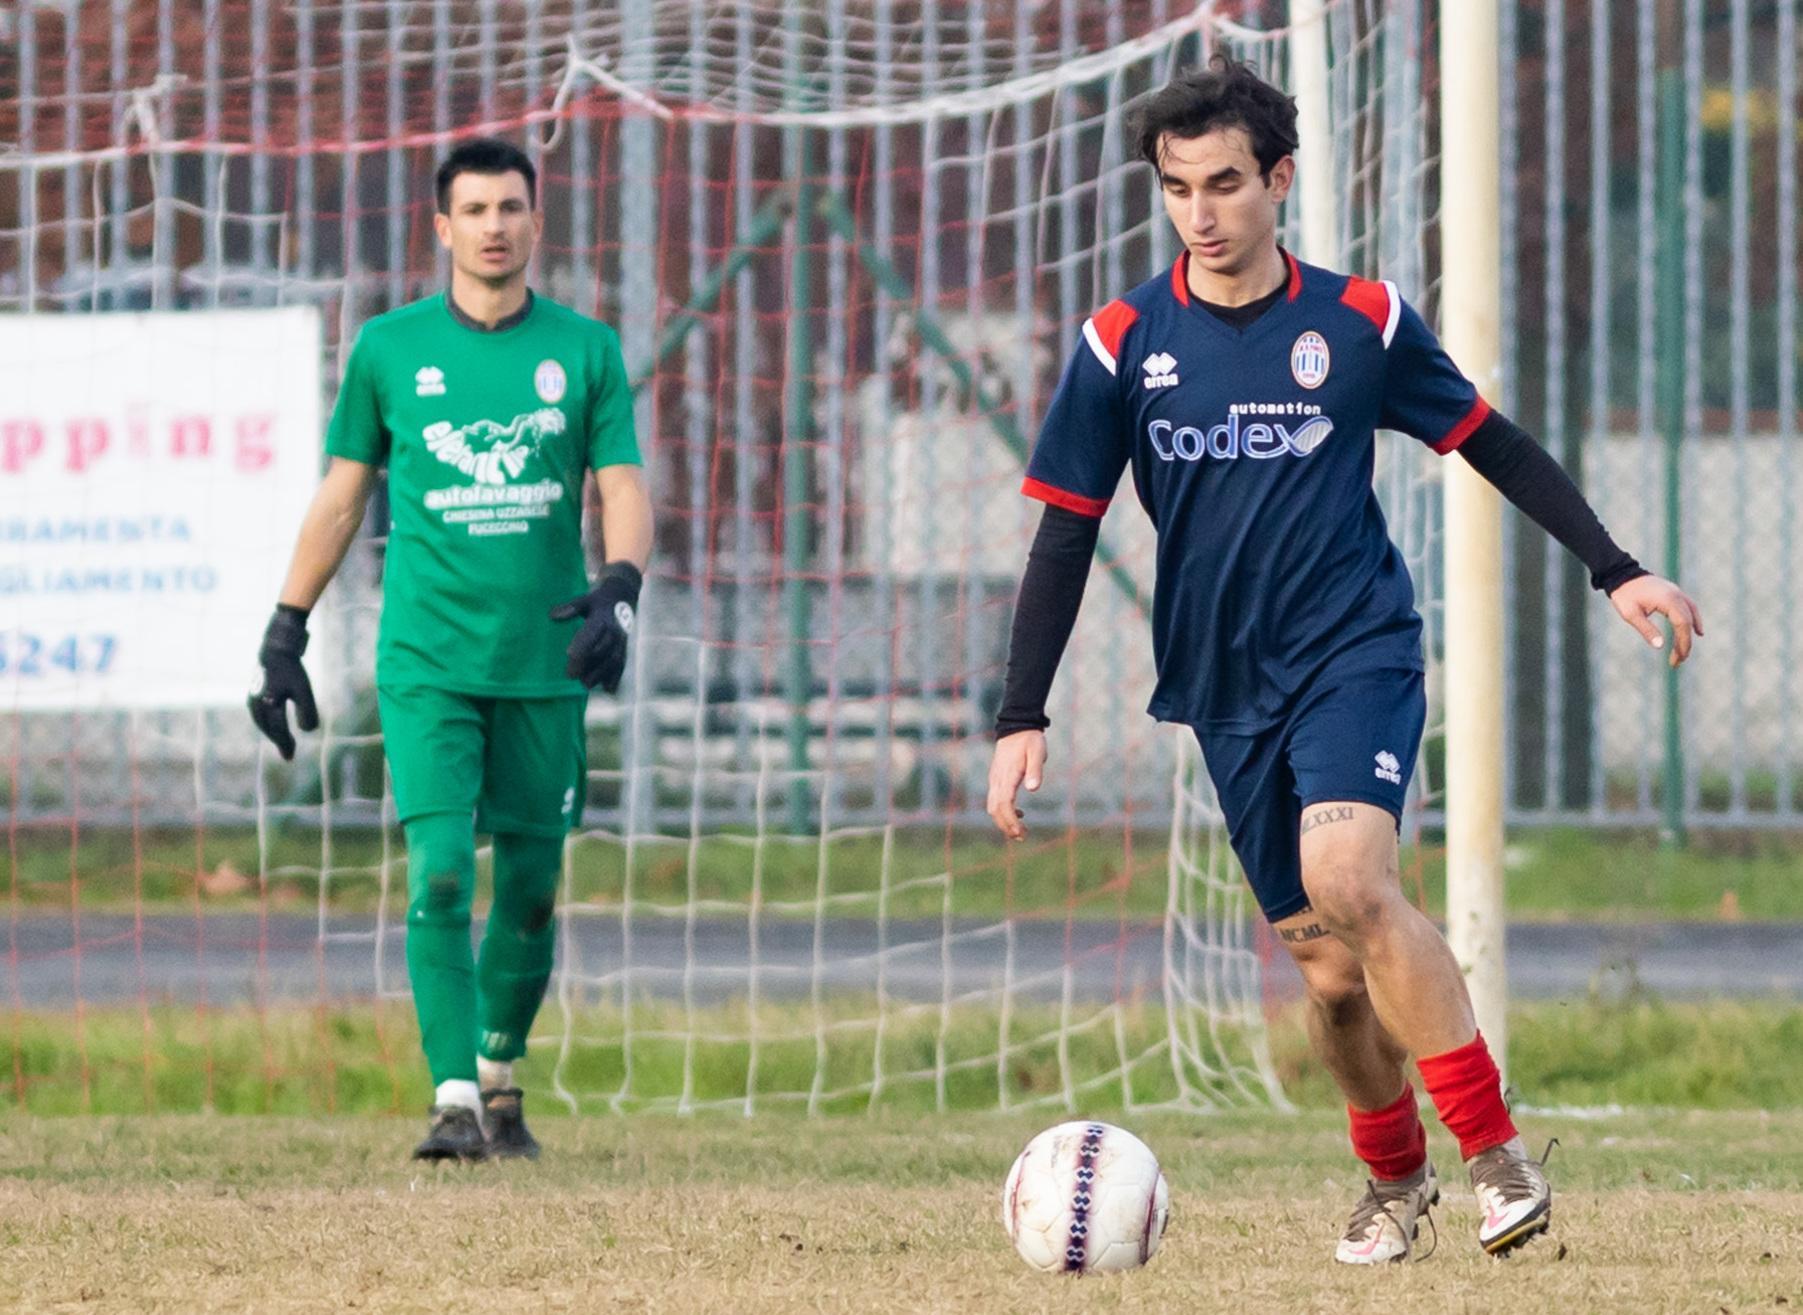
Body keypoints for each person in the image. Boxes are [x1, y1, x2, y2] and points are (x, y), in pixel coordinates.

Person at [986, 59, 1701, 1263]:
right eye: (1176, 189)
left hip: (1354, 647)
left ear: (1280, 180)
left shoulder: (1358, 322)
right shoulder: (1123, 344)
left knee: (1355, 877)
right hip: (1222, 684)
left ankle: (1496, 1156)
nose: (1200, 214)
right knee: (1325, 973)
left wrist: (1616, 567)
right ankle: (1396, 1181)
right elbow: (1067, 528)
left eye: (1224, 184)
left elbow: (1494, 441)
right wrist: (1020, 710)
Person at [249, 137, 654, 1163]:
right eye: (473, 209)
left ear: (535, 221)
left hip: (543, 663)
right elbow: (343, 496)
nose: (493, 226)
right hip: (425, 659)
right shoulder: (389, 349)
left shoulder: (587, 349)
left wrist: (621, 587)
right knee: (436, 873)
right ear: (442, 227)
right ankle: (454, 1100)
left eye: (510, 207)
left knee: (528, 886)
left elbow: (621, 486)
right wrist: (286, 628)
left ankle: (502, 1071)